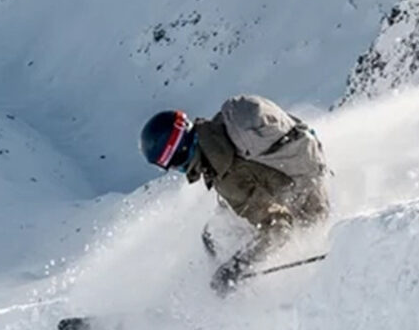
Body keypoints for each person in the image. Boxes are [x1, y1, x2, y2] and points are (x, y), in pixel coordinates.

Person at [140, 95, 329, 294]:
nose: (176, 169)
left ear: (180, 152)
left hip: (308, 206)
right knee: (218, 227)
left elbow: (279, 228)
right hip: (310, 161)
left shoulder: (228, 179)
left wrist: (237, 267)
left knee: (222, 236)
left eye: (171, 164)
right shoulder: (221, 126)